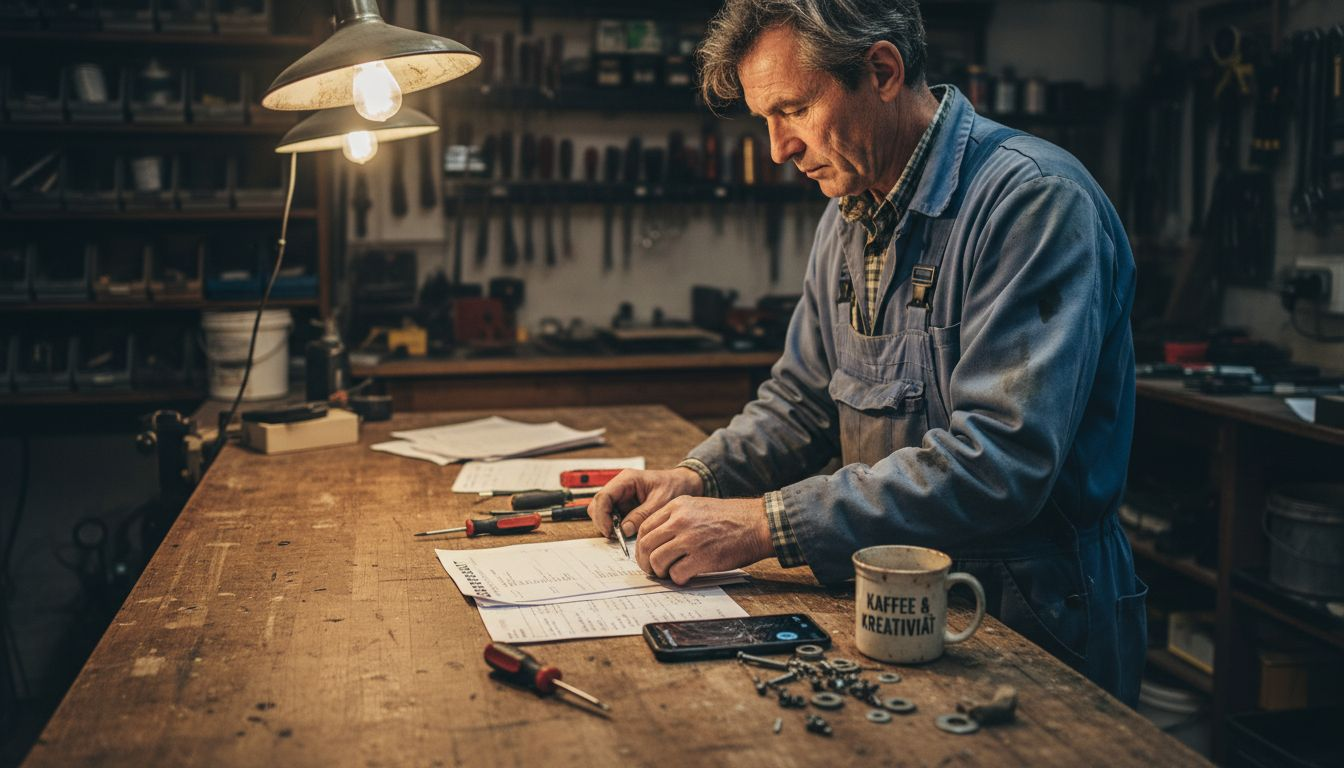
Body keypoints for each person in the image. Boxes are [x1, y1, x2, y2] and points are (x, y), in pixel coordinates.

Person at [588, 0, 1146, 705]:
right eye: (766, 119)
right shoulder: (848, 213)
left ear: (881, 70)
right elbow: (800, 401)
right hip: (889, 602)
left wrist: (766, 523)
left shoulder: (1033, 204)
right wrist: (700, 476)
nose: (777, 149)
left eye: (791, 109)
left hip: (1028, 617)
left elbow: (1000, 462)